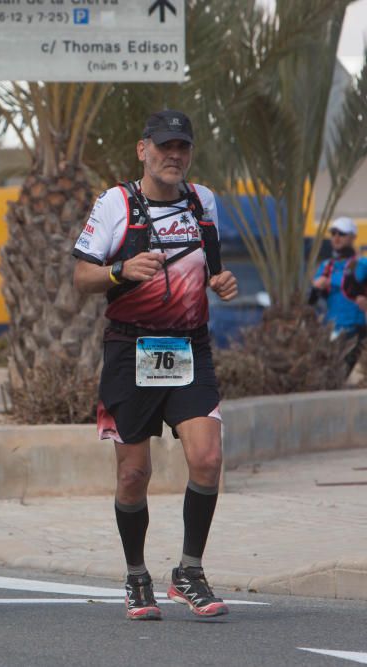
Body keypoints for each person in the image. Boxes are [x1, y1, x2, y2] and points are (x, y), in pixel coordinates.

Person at [72, 110, 239, 620]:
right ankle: (136, 575)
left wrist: (221, 282)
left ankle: (188, 571)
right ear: (142, 149)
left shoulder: (202, 201)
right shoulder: (116, 203)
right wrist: (120, 271)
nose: (174, 156)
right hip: (131, 351)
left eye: (182, 147)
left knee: (207, 459)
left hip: (190, 348)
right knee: (133, 475)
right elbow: (82, 276)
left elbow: (212, 266)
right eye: (165, 146)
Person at [310, 216, 367, 375]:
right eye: (333, 233)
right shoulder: (326, 266)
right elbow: (311, 300)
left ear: (352, 237)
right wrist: (316, 287)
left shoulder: (361, 264)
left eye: (341, 233)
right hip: (331, 332)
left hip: (355, 331)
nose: (336, 237)